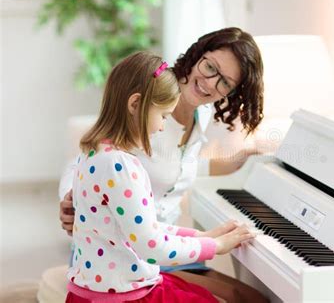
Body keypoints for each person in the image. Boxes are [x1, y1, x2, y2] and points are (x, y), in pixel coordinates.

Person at [59, 27, 265, 291]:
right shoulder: (148, 114)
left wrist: (239, 160)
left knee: (246, 294)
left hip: (166, 245)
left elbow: (177, 167)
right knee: (237, 296)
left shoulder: (199, 117)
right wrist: (72, 201)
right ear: (196, 56)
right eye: (210, 67)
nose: (211, 83)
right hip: (128, 255)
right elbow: (87, 160)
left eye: (225, 82)